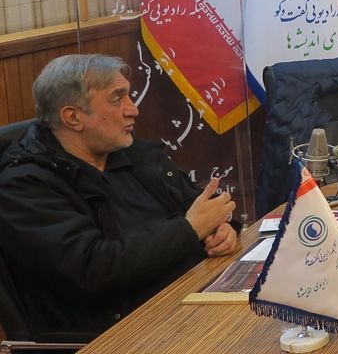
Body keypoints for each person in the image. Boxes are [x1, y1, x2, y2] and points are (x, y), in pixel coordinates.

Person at [0, 54, 238, 337]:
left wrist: (222, 230)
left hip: (193, 299)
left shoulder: (133, 154)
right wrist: (192, 229)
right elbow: (95, 269)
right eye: (117, 99)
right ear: (73, 117)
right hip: (122, 333)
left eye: (129, 96)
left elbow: (200, 209)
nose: (133, 109)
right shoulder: (24, 186)